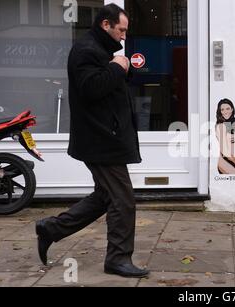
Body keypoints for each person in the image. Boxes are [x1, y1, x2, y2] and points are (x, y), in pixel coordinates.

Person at [35, 4, 149, 278]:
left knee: (104, 197)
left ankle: (51, 228)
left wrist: (121, 68)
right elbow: (91, 88)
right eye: (121, 30)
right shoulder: (85, 51)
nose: (124, 36)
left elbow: (111, 80)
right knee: (123, 200)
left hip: (106, 137)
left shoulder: (102, 51)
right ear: (105, 25)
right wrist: (117, 68)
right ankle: (118, 259)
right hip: (100, 141)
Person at [215, 99, 235, 175]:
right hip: (227, 161)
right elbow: (224, 150)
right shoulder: (221, 126)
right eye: (222, 109)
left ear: (232, 109)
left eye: (227, 108)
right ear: (220, 112)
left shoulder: (231, 123)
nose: (225, 111)